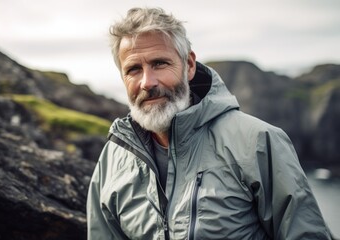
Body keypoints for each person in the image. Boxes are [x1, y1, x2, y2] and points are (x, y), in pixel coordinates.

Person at [87, 7, 331, 240]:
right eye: (134, 69)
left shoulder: (258, 141)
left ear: (189, 65)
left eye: (159, 63)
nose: (147, 82)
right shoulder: (112, 157)